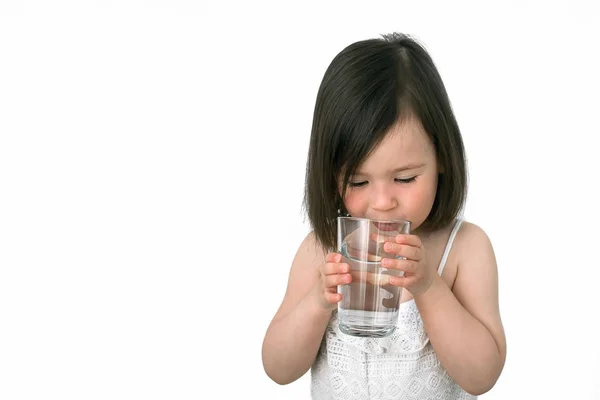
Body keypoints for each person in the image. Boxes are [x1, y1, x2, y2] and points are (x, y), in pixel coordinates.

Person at [261, 32, 506, 399]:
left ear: (440, 156)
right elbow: (278, 368)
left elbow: (481, 376)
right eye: (358, 181)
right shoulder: (322, 249)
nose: (382, 202)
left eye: (405, 178)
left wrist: (428, 286)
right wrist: (318, 301)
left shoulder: (464, 250)